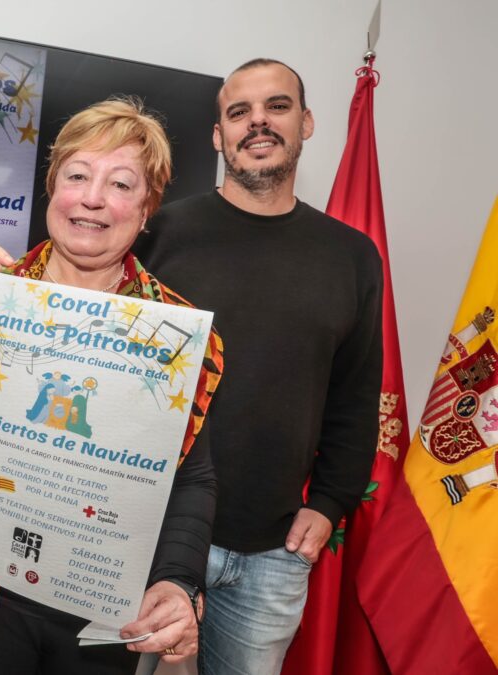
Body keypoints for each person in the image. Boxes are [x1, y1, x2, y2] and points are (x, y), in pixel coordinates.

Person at [0, 97, 224, 674]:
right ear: (52, 189)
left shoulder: (174, 337)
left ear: (147, 209)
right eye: (77, 175)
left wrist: (178, 579)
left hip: (103, 603)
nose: (92, 198)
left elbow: (192, 476)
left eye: (121, 184)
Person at [134, 58, 383, 674]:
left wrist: (330, 503)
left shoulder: (353, 257)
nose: (258, 122)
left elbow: (355, 397)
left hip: (273, 552)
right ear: (218, 135)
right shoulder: (159, 233)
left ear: (306, 123)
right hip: (146, 536)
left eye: (277, 106)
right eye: (239, 112)